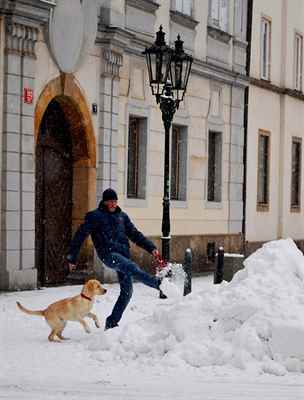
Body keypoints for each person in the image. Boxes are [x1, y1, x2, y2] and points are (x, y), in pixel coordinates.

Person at [66, 188, 166, 330]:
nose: (113, 204)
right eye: (110, 201)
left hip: (123, 255)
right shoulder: (95, 216)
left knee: (127, 292)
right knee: (132, 268)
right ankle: (159, 285)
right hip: (108, 255)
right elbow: (80, 235)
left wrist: (151, 248)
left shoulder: (122, 217)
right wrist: (72, 257)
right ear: (105, 202)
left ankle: (112, 322)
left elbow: (135, 234)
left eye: (115, 201)